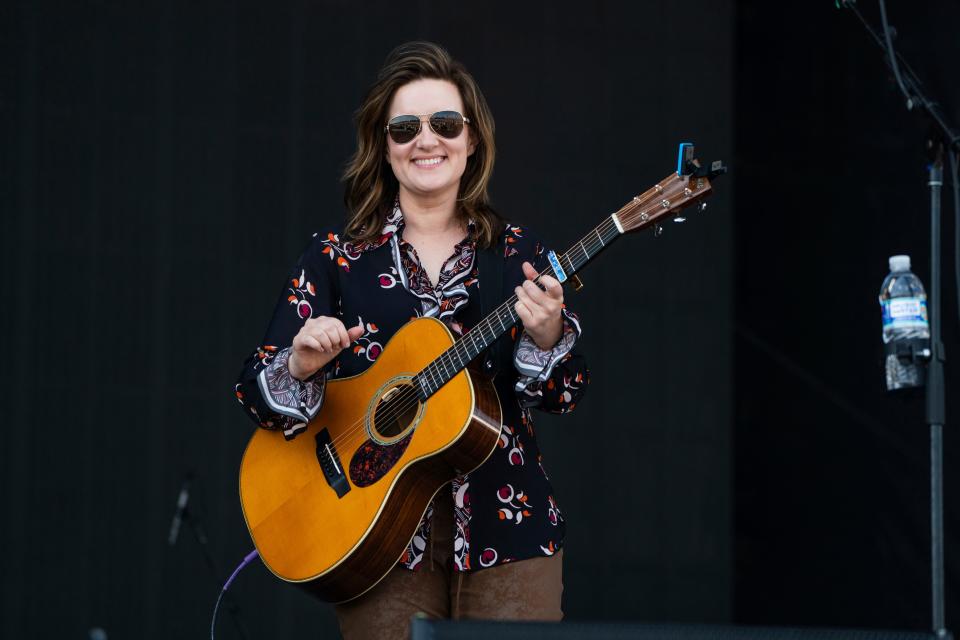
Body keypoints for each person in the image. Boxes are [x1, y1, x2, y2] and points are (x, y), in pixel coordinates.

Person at [234, 41, 588, 639]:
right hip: (375, 539)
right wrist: (297, 365)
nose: (427, 140)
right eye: (405, 128)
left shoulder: (517, 254)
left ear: (471, 140)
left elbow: (564, 396)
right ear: (384, 146)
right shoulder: (335, 259)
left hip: (509, 528)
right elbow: (254, 392)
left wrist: (548, 334)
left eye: (445, 124)